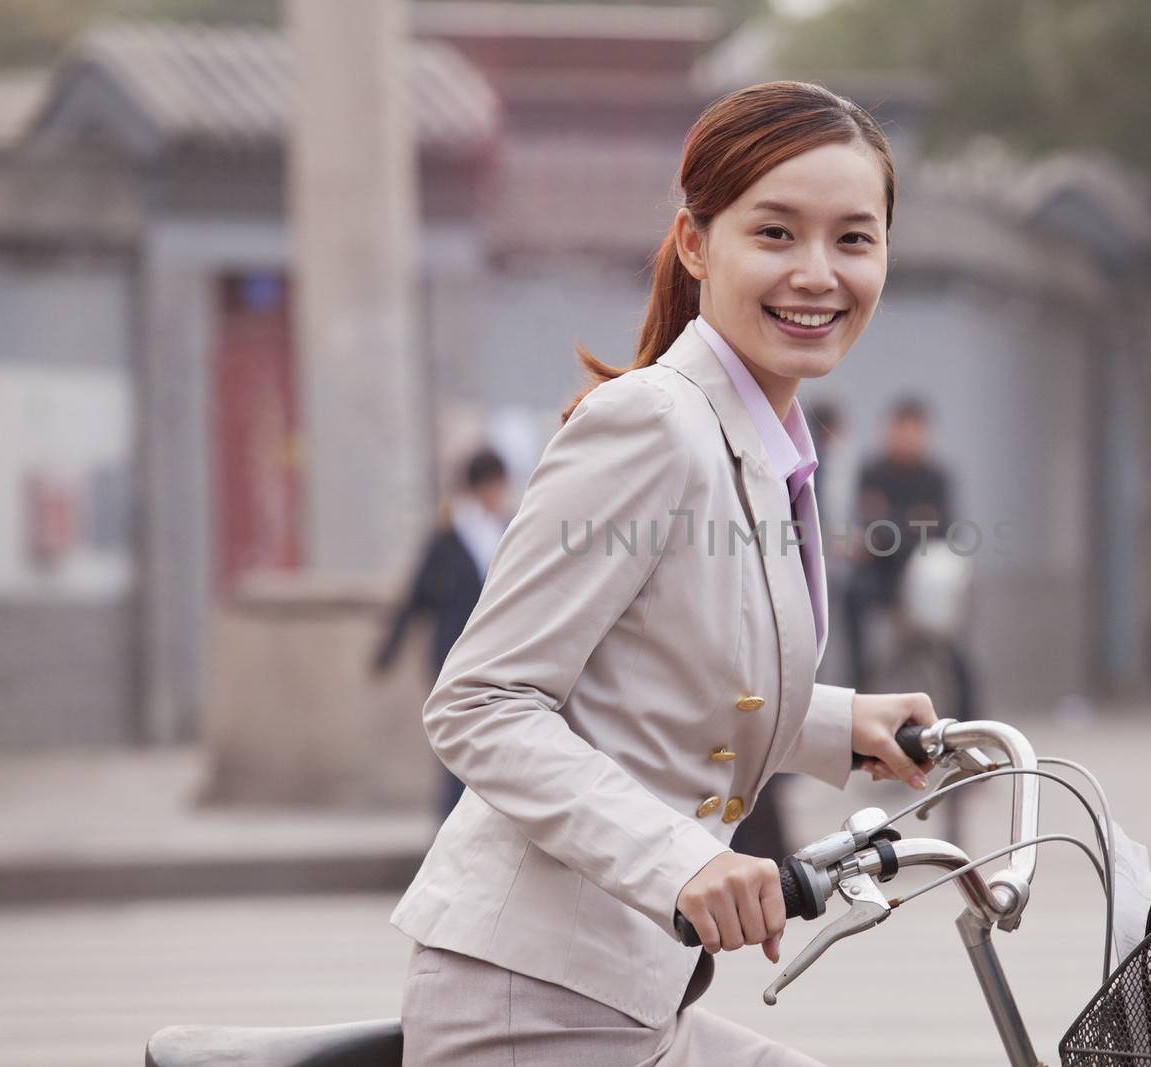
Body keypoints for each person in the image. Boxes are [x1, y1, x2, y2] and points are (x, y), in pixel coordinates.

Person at [390, 81, 939, 1066]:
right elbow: (481, 701)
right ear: (696, 244)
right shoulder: (652, 421)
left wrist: (838, 722)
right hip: (533, 1006)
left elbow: (670, 670)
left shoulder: (768, 442)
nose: (817, 273)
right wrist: (684, 861)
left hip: (632, 991)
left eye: (853, 240)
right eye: (775, 233)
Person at [372, 447, 511, 821]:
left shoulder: (506, 530)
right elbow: (416, 598)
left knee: (490, 750)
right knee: (458, 748)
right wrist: (388, 651)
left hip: (496, 658)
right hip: (452, 657)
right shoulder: (448, 539)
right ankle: (450, 833)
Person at [844, 397, 977, 721]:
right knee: (851, 596)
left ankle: (967, 722)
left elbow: (941, 528)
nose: (906, 437)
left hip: (924, 577)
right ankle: (855, 690)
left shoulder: (936, 476)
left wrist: (890, 528)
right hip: (881, 575)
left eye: (914, 430)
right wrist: (907, 525)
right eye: (900, 429)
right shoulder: (873, 471)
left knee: (955, 650)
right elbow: (869, 525)